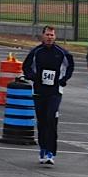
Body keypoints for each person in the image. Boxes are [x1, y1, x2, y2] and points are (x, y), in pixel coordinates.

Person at [22, 26, 74, 165]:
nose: (50, 37)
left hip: (55, 92)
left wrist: (63, 80)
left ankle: (51, 152)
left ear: (55, 37)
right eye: (47, 34)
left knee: (51, 118)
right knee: (42, 121)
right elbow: (26, 67)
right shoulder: (36, 52)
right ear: (43, 36)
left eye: (52, 35)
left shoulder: (61, 53)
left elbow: (70, 66)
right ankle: (43, 148)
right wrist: (33, 77)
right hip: (39, 91)